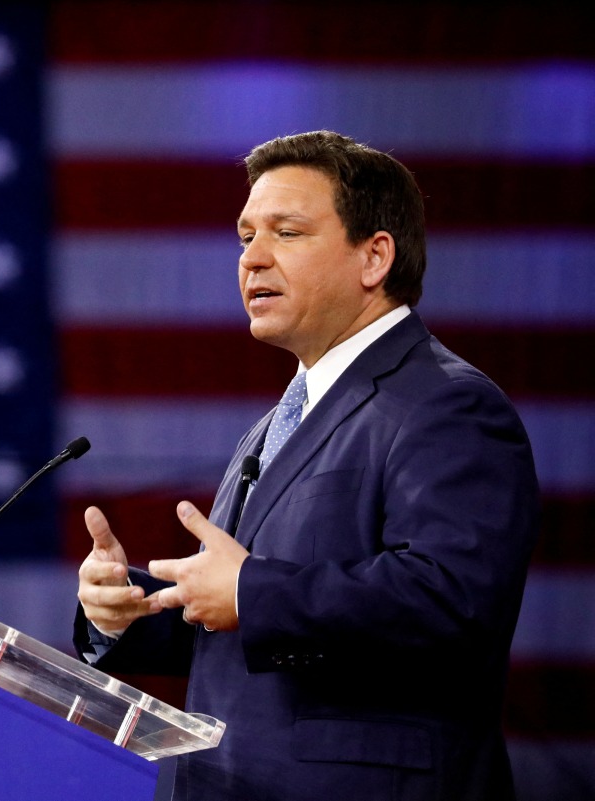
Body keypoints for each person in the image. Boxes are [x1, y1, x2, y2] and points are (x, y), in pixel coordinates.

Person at [74, 130, 539, 801]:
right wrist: (127, 611)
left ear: (375, 256)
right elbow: (251, 629)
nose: (252, 259)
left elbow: (450, 602)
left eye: (286, 232)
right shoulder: (281, 418)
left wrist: (250, 591)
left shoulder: (449, 405)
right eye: (244, 236)